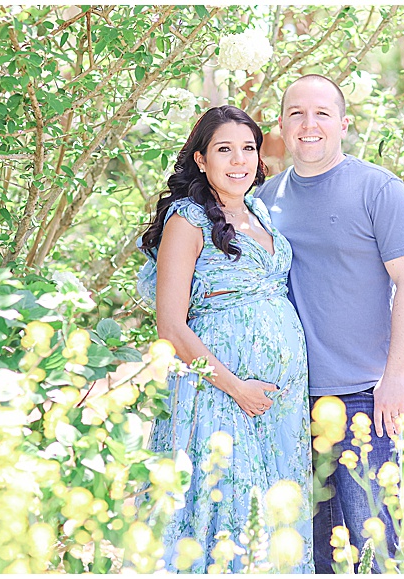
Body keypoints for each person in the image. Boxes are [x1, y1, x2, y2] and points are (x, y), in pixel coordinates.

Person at [255, 74, 404, 573]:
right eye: (297, 114)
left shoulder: (380, 189)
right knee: (311, 553)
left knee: (376, 545)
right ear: (283, 125)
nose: (309, 125)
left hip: (362, 399)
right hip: (286, 400)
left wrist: (394, 378)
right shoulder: (264, 200)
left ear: (344, 124)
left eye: (322, 114)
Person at [136, 105, 313, 573]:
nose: (239, 160)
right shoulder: (186, 222)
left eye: (248, 149)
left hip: (279, 406)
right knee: (228, 520)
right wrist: (237, 387)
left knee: (273, 521)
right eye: (224, 149)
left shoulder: (258, 211)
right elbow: (171, 326)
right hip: (218, 395)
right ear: (200, 159)